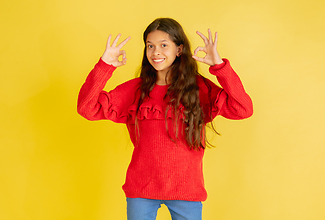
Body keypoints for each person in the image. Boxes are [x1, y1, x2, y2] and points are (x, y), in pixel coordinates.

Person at [77, 18, 253, 220]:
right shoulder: (135, 89)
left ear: (179, 49)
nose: (155, 52)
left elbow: (243, 109)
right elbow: (86, 108)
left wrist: (220, 67)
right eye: (150, 46)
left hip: (185, 191)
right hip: (141, 190)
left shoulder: (198, 89)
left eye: (163, 45)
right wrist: (104, 66)